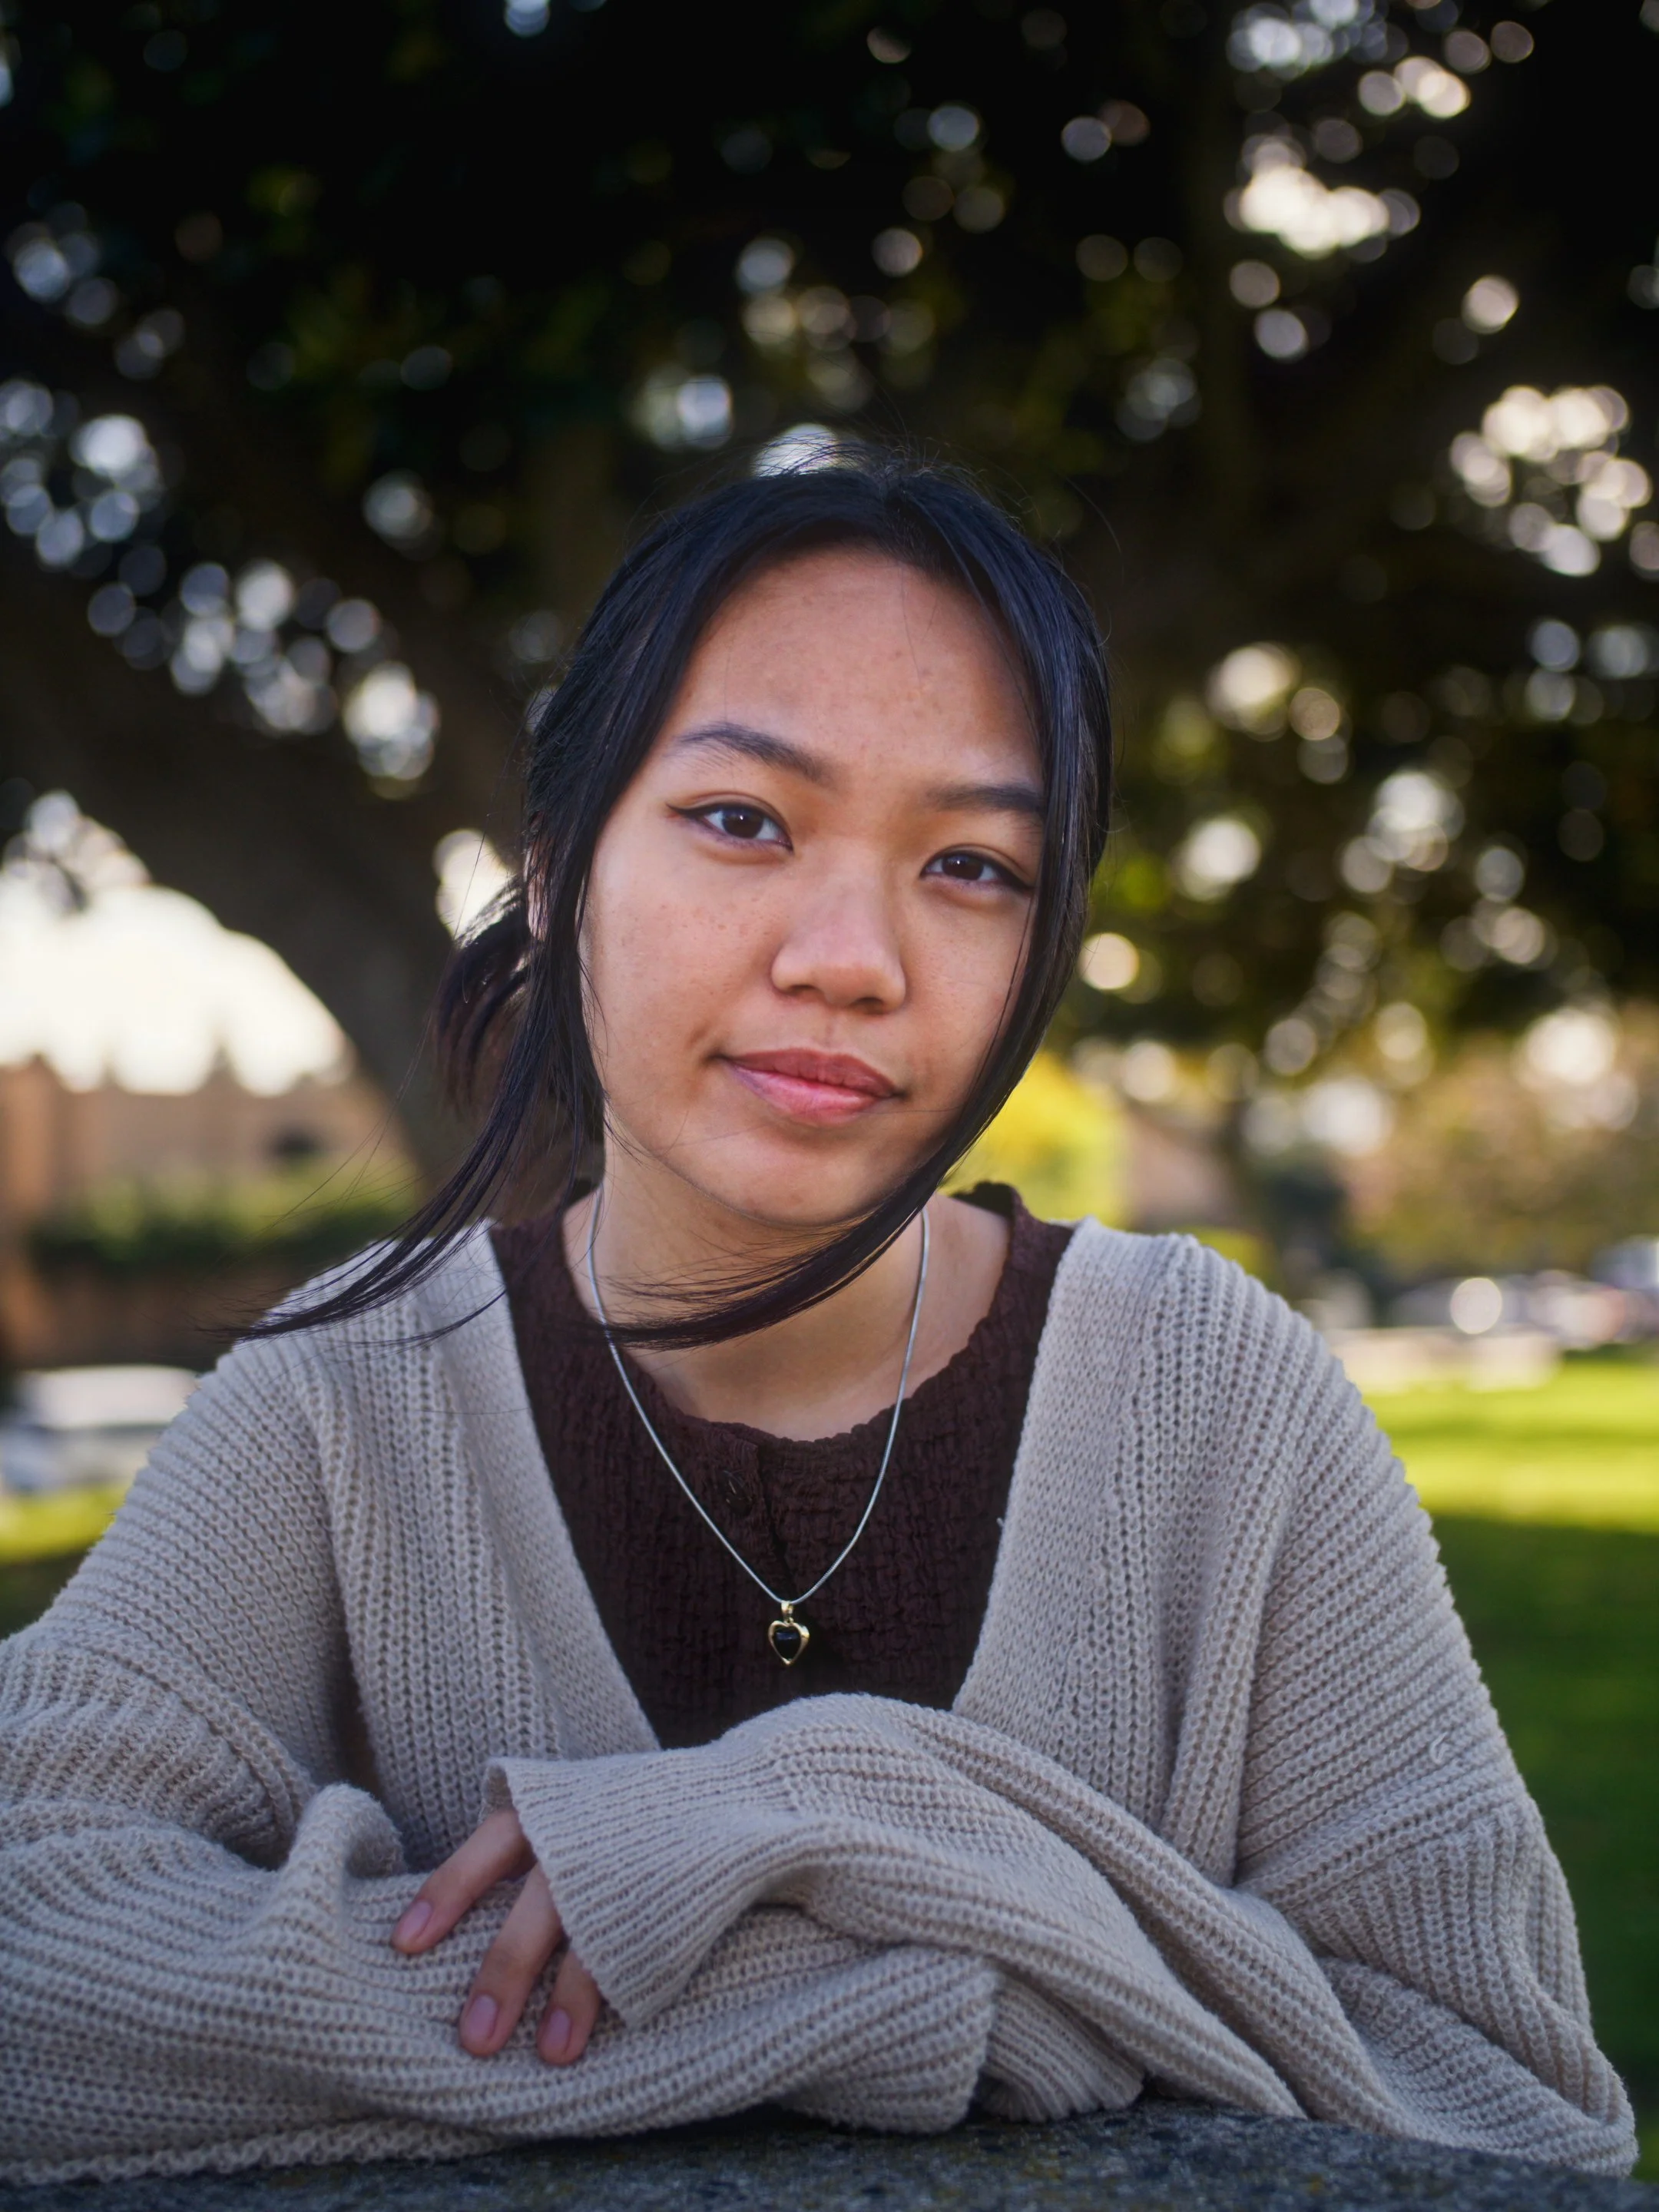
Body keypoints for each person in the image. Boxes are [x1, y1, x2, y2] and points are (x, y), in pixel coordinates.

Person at [0, 455, 1635, 2182]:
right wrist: (892, 1986)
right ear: (555, 872)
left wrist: (819, 1807)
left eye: (974, 865)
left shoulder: (1216, 1400)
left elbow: (1508, 2097)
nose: (853, 956)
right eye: (743, 822)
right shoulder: (354, 1392)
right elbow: (34, 1944)